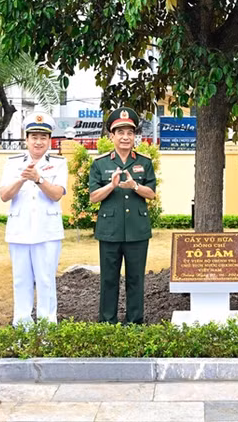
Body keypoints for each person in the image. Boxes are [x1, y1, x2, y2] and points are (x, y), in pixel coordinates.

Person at [88, 107, 156, 324]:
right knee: (109, 279)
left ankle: (134, 323)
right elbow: (93, 197)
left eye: (130, 133)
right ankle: (107, 323)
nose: (125, 137)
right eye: (120, 132)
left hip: (137, 230)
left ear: (135, 136)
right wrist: (112, 185)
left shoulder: (144, 162)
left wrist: (135, 185)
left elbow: (151, 193)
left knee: (136, 279)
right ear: (111, 136)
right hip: (110, 231)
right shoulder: (100, 163)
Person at [0, 112, 68, 326]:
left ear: (49, 140)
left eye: (43, 137)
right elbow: (4, 195)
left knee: (46, 281)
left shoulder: (58, 163)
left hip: (47, 231)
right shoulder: (13, 163)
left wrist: (38, 179)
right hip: (19, 231)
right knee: (21, 281)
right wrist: (22, 178)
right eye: (34, 137)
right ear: (26, 139)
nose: (38, 142)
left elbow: (57, 194)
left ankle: (48, 330)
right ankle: (23, 329)